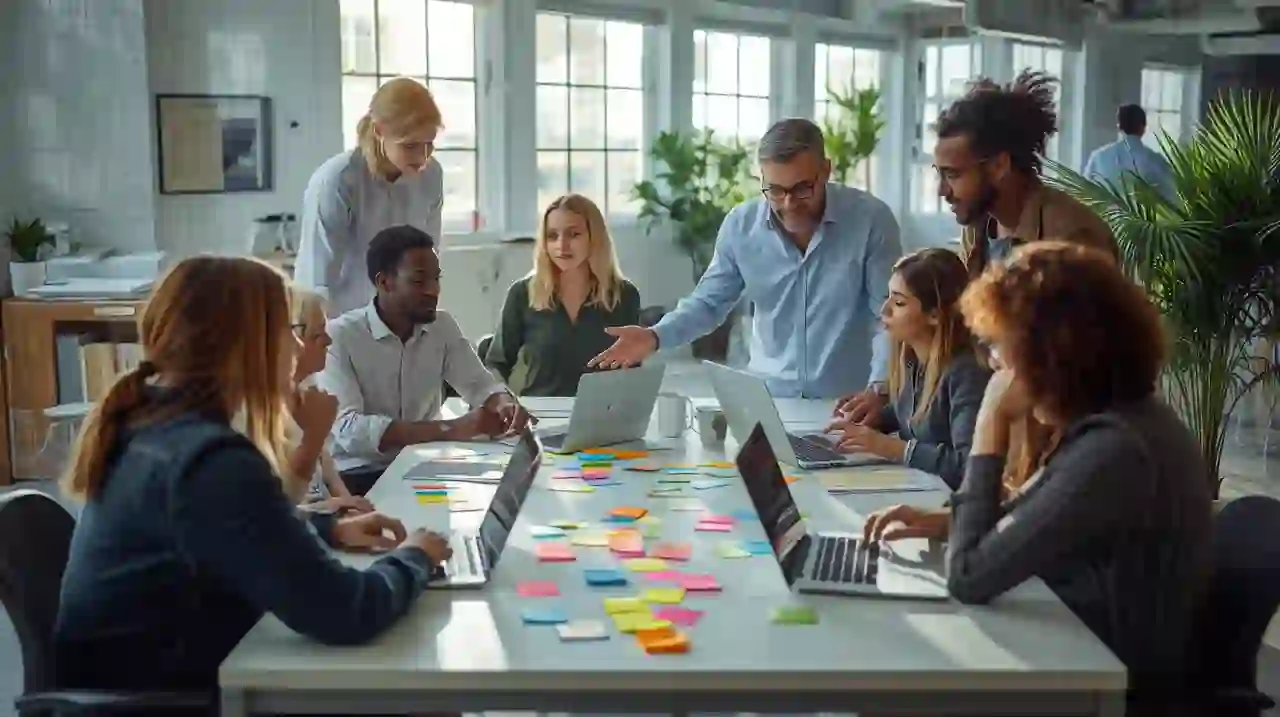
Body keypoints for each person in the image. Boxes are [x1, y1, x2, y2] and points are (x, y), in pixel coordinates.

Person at [54, 256, 452, 696]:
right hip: (163, 701)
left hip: (129, 685)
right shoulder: (212, 460)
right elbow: (347, 611)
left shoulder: (150, 426)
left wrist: (326, 528)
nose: (298, 348)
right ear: (245, 345)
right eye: (286, 330)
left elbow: (221, 531)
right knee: (423, 690)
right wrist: (416, 555)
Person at [863, 242, 1212, 701]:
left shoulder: (1113, 450)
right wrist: (943, 522)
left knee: (895, 673)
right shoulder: (1121, 419)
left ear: (1053, 353)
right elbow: (1041, 513)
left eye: (1001, 346)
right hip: (1076, 645)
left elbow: (969, 576)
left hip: (1099, 683)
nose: (994, 363)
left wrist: (990, 423)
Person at [589, 118, 902, 407]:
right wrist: (655, 336)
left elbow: (888, 317)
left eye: (802, 188)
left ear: (826, 171)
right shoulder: (740, 226)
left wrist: (880, 389)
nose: (789, 204)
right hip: (769, 401)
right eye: (775, 190)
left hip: (850, 403)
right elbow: (709, 303)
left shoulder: (871, 221)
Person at [320, 225, 532, 493]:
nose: (434, 290)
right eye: (419, 281)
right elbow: (350, 430)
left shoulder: (442, 326)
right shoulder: (339, 336)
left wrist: (502, 403)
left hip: (426, 464)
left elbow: (478, 384)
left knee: (511, 486)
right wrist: (451, 429)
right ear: (384, 282)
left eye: (436, 279)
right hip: (360, 474)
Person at [825, 248, 989, 489]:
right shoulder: (912, 360)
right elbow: (913, 417)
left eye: (899, 302)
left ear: (934, 315)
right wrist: (872, 420)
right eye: (888, 297)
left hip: (946, 503)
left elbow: (968, 466)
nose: (884, 310)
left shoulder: (967, 373)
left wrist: (888, 447)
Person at [296, 77, 446, 317]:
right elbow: (316, 283)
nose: (423, 156)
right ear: (379, 131)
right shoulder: (338, 181)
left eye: (429, 144)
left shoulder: (432, 175)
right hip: (343, 321)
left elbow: (427, 258)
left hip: (403, 319)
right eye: (410, 146)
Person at [486, 194, 641, 396]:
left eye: (573, 234)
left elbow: (632, 368)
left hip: (601, 410)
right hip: (538, 410)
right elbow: (496, 364)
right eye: (552, 236)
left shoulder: (624, 295)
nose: (562, 245)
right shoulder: (523, 294)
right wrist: (502, 400)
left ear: (594, 237)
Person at [286, 286, 374, 514]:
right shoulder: (264, 412)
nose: (328, 340)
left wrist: (352, 508)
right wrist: (335, 508)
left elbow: (329, 473)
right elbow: (278, 506)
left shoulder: (308, 393)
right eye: (318, 334)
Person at [1083, 103, 1177, 199]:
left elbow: (1084, 193)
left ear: (1119, 126)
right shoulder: (1155, 160)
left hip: (1102, 208)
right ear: (1143, 127)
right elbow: (1172, 194)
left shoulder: (1098, 157)